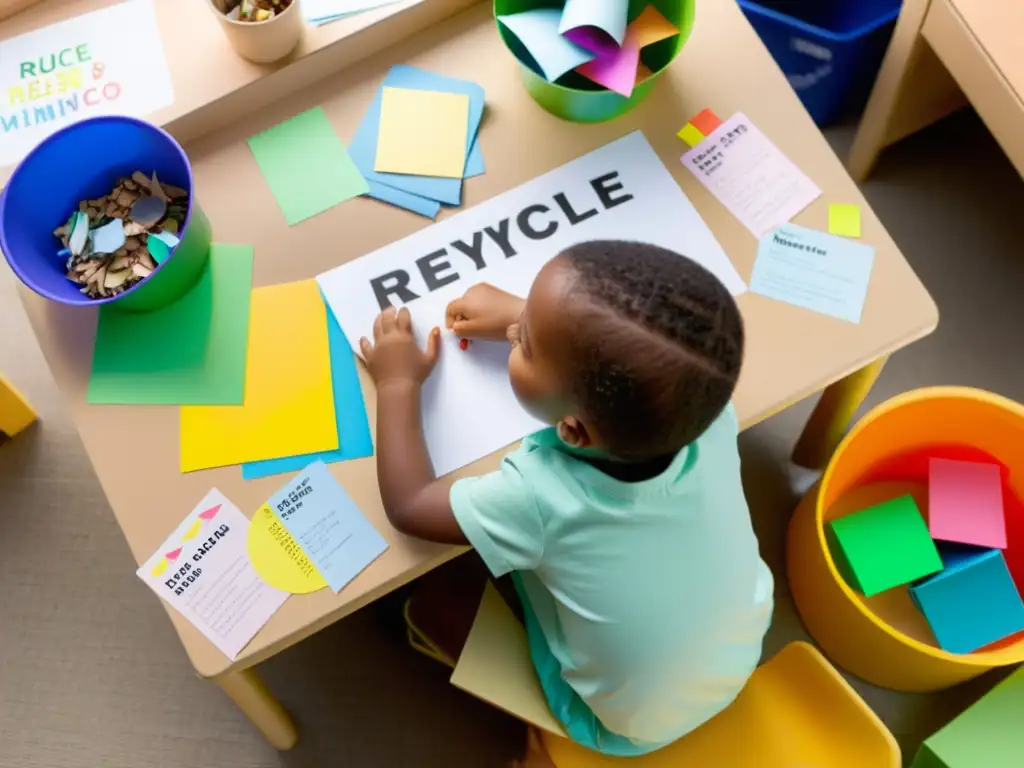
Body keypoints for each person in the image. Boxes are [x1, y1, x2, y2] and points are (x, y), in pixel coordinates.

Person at [359, 240, 774, 761]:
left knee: (432, 585)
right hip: (739, 655)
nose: (514, 332)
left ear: (574, 431)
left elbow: (410, 505)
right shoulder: (705, 412)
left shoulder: (537, 498)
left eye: (525, 343)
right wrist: (528, 318)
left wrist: (397, 380)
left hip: (622, 729)